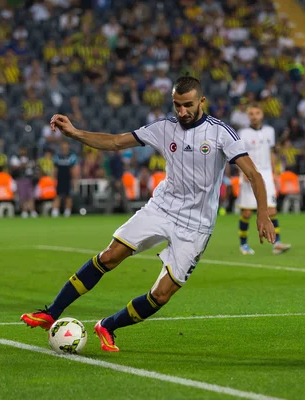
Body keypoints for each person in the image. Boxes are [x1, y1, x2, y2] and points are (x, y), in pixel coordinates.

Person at [21, 77, 276, 352]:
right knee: (110, 255)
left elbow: (253, 174)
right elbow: (116, 142)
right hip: (162, 208)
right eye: (177, 105)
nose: (182, 112)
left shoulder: (221, 133)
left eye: (188, 105)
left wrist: (263, 214)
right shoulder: (164, 128)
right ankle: (52, 312)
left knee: (162, 295)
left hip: (196, 225)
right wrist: (76, 133)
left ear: (201, 102)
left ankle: (108, 326)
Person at [236, 103, 291, 255]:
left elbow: (272, 153)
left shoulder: (269, 131)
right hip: (250, 173)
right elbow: (238, 154)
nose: (254, 116)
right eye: (251, 113)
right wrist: (243, 171)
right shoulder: (243, 133)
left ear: (262, 115)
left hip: (266, 173)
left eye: (257, 113)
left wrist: (275, 174)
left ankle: (277, 243)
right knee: (247, 212)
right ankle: (243, 244)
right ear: (248, 116)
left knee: (271, 209)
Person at [51, 141, 77, 217]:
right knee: (57, 195)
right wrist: (54, 179)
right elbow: (55, 169)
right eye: (63, 145)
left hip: (68, 179)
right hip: (59, 179)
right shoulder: (57, 156)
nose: (64, 147)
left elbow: (74, 169)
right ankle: (55, 212)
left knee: (68, 196)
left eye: (66, 145)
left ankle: (67, 212)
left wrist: (74, 180)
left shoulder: (72, 156)